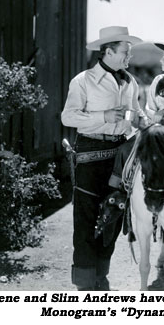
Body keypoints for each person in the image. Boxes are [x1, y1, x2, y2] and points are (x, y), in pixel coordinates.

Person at [97, 38, 164, 255]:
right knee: (126, 148)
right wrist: (159, 116)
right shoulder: (157, 81)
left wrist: (162, 114)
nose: (161, 59)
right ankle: (118, 196)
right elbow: (148, 108)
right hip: (155, 129)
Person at [61, 26, 145, 290]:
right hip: (89, 155)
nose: (128, 59)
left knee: (113, 215)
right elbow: (68, 117)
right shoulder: (82, 81)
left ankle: (101, 277)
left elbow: (136, 113)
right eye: (125, 53)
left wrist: (144, 121)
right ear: (108, 51)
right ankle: (86, 284)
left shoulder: (130, 82)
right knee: (87, 219)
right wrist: (103, 117)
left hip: (120, 156)